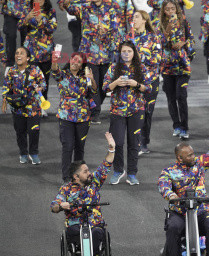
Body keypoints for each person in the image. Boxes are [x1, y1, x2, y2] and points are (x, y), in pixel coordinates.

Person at [158, 120, 209, 256]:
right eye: (189, 155)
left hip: (200, 210)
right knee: (173, 227)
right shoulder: (169, 171)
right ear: (180, 158)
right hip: (180, 212)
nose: (194, 156)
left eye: (193, 153)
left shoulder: (199, 164)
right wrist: (171, 195)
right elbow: (163, 185)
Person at [50, 132, 116, 256]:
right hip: (75, 225)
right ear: (76, 176)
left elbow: (106, 165)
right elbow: (54, 206)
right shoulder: (66, 189)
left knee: (98, 233)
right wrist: (61, 206)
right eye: (85, 172)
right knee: (73, 234)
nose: (90, 173)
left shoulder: (94, 183)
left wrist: (111, 148)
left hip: (94, 223)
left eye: (88, 170)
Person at [103, 41, 153, 185]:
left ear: (134, 53)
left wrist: (136, 84)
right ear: (119, 53)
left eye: (129, 51)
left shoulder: (141, 68)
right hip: (117, 110)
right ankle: (118, 171)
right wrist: (116, 83)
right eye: (123, 51)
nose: (126, 54)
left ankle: (132, 174)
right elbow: (105, 88)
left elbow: (149, 88)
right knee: (117, 142)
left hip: (136, 110)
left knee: (134, 143)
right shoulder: (113, 67)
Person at [64, 0, 119, 125]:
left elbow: (116, 31)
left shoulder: (111, 9)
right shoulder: (84, 7)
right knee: (92, 84)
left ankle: (93, 107)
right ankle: (95, 113)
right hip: (89, 55)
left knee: (104, 86)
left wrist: (106, 33)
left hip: (106, 54)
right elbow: (69, 8)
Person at [52, 52, 97, 183]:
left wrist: (92, 79)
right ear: (70, 60)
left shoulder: (85, 76)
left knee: (79, 147)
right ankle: (66, 177)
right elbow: (55, 70)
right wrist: (54, 60)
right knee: (67, 146)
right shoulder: (63, 74)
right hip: (66, 116)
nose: (75, 62)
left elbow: (94, 90)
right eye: (73, 59)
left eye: (79, 61)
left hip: (83, 117)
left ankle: (79, 176)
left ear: (82, 65)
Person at [1, 47, 46, 165]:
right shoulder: (11, 71)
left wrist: (40, 88)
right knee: (20, 132)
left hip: (34, 108)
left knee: (34, 131)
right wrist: (4, 100)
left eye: (21, 53)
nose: (18, 55)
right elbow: (6, 86)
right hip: (18, 108)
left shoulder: (35, 69)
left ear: (28, 58)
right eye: (16, 53)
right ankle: (23, 153)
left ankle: (34, 153)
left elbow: (43, 83)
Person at [158, 0, 195, 139]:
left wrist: (184, 43)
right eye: (167, 9)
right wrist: (167, 30)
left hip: (183, 66)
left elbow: (191, 39)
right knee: (171, 98)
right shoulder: (160, 24)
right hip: (167, 67)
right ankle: (177, 125)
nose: (170, 11)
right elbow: (157, 42)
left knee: (181, 96)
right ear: (164, 11)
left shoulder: (184, 22)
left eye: (173, 8)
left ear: (177, 9)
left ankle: (185, 127)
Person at [127, 10, 162, 155]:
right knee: (134, 111)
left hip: (150, 81)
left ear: (144, 21)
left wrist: (139, 56)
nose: (133, 19)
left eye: (136, 17)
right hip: (132, 80)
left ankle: (144, 141)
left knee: (147, 112)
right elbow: (122, 56)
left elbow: (158, 59)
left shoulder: (154, 38)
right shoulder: (128, 37)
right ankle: (135, 142)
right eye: (133, 17)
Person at [18, 0, 57, 103]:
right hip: (31, 52)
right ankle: (32, 104)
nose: (39, 1)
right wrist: (27, 18)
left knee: (44, 79)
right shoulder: (27, 10)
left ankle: (43, 103)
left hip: (46, 53)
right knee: (31, 79)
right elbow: (19, 26)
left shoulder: (50, 11)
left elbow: (53, 27)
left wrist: (42, 20)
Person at [1, 0, 29, 68]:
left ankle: (25, 62)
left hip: (26, 10)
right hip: (10, 10)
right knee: (11, 35)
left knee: (26, 37)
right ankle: (10, 64)